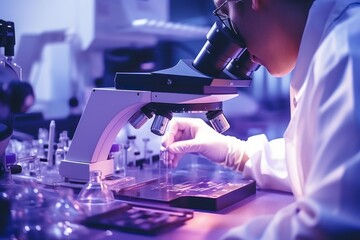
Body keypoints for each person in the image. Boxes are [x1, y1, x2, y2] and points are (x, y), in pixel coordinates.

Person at [162, 0, 360, 239]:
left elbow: (329, 228)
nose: (233, 37)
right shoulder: (336, 42)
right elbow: (329, 171)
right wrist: (232, 151)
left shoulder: (348, 48)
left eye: (226, 14)